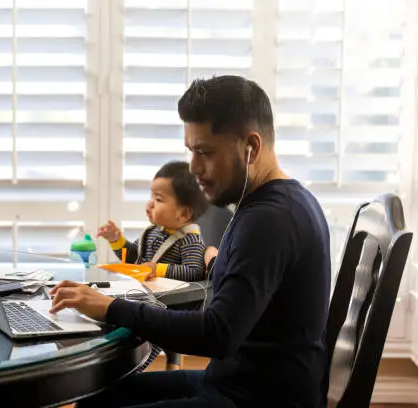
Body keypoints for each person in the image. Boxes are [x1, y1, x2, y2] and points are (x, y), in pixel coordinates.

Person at [50, 75, 331, 408]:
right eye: (191, 151)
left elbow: (217, 333)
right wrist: (215, 261)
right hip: (236, 383)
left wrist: (111, 307)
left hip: (254, 399)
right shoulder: (281, 202)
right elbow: (251, 289)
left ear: (251, 147)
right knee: (94, 398)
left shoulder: (269, 220)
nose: (194, 167)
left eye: (205, 152)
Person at [98, 160, 209, 282]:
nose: (150, 203)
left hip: (169, 300)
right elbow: (133, 258)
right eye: (151, 196)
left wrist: (156, 269)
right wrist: (116, 240)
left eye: (158, 199)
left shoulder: (189, 240)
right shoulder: (151, 232)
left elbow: (195, 272)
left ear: (184, 214)